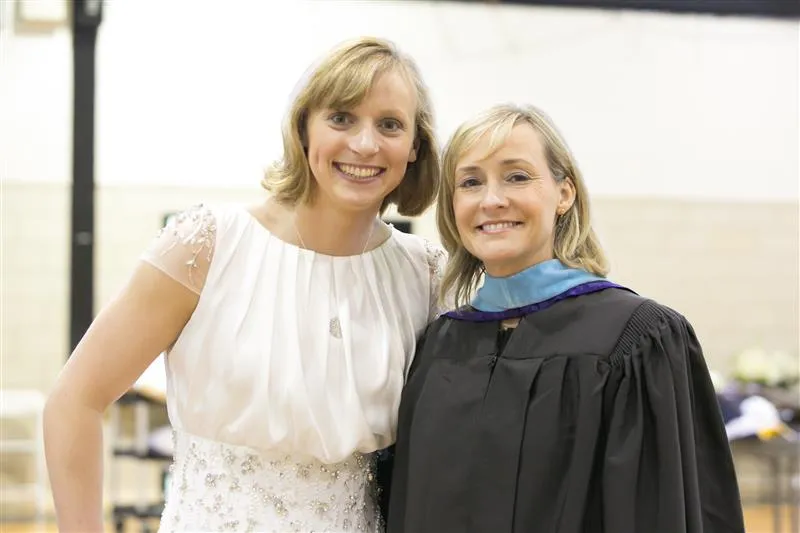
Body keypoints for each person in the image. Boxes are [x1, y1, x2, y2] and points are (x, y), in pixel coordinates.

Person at [44, 37, 446, 533]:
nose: (364, 144)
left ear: (414, 148)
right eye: (341, 118)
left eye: (390, 125)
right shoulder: (208, 245)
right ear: (303, 129)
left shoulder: (424, 273)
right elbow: (75, 400)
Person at [387, 103, 745, 533]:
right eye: (470, 182)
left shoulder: (638, 340)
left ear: (564, 194)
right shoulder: (438, 345)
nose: (492, 199)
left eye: (517, 176)